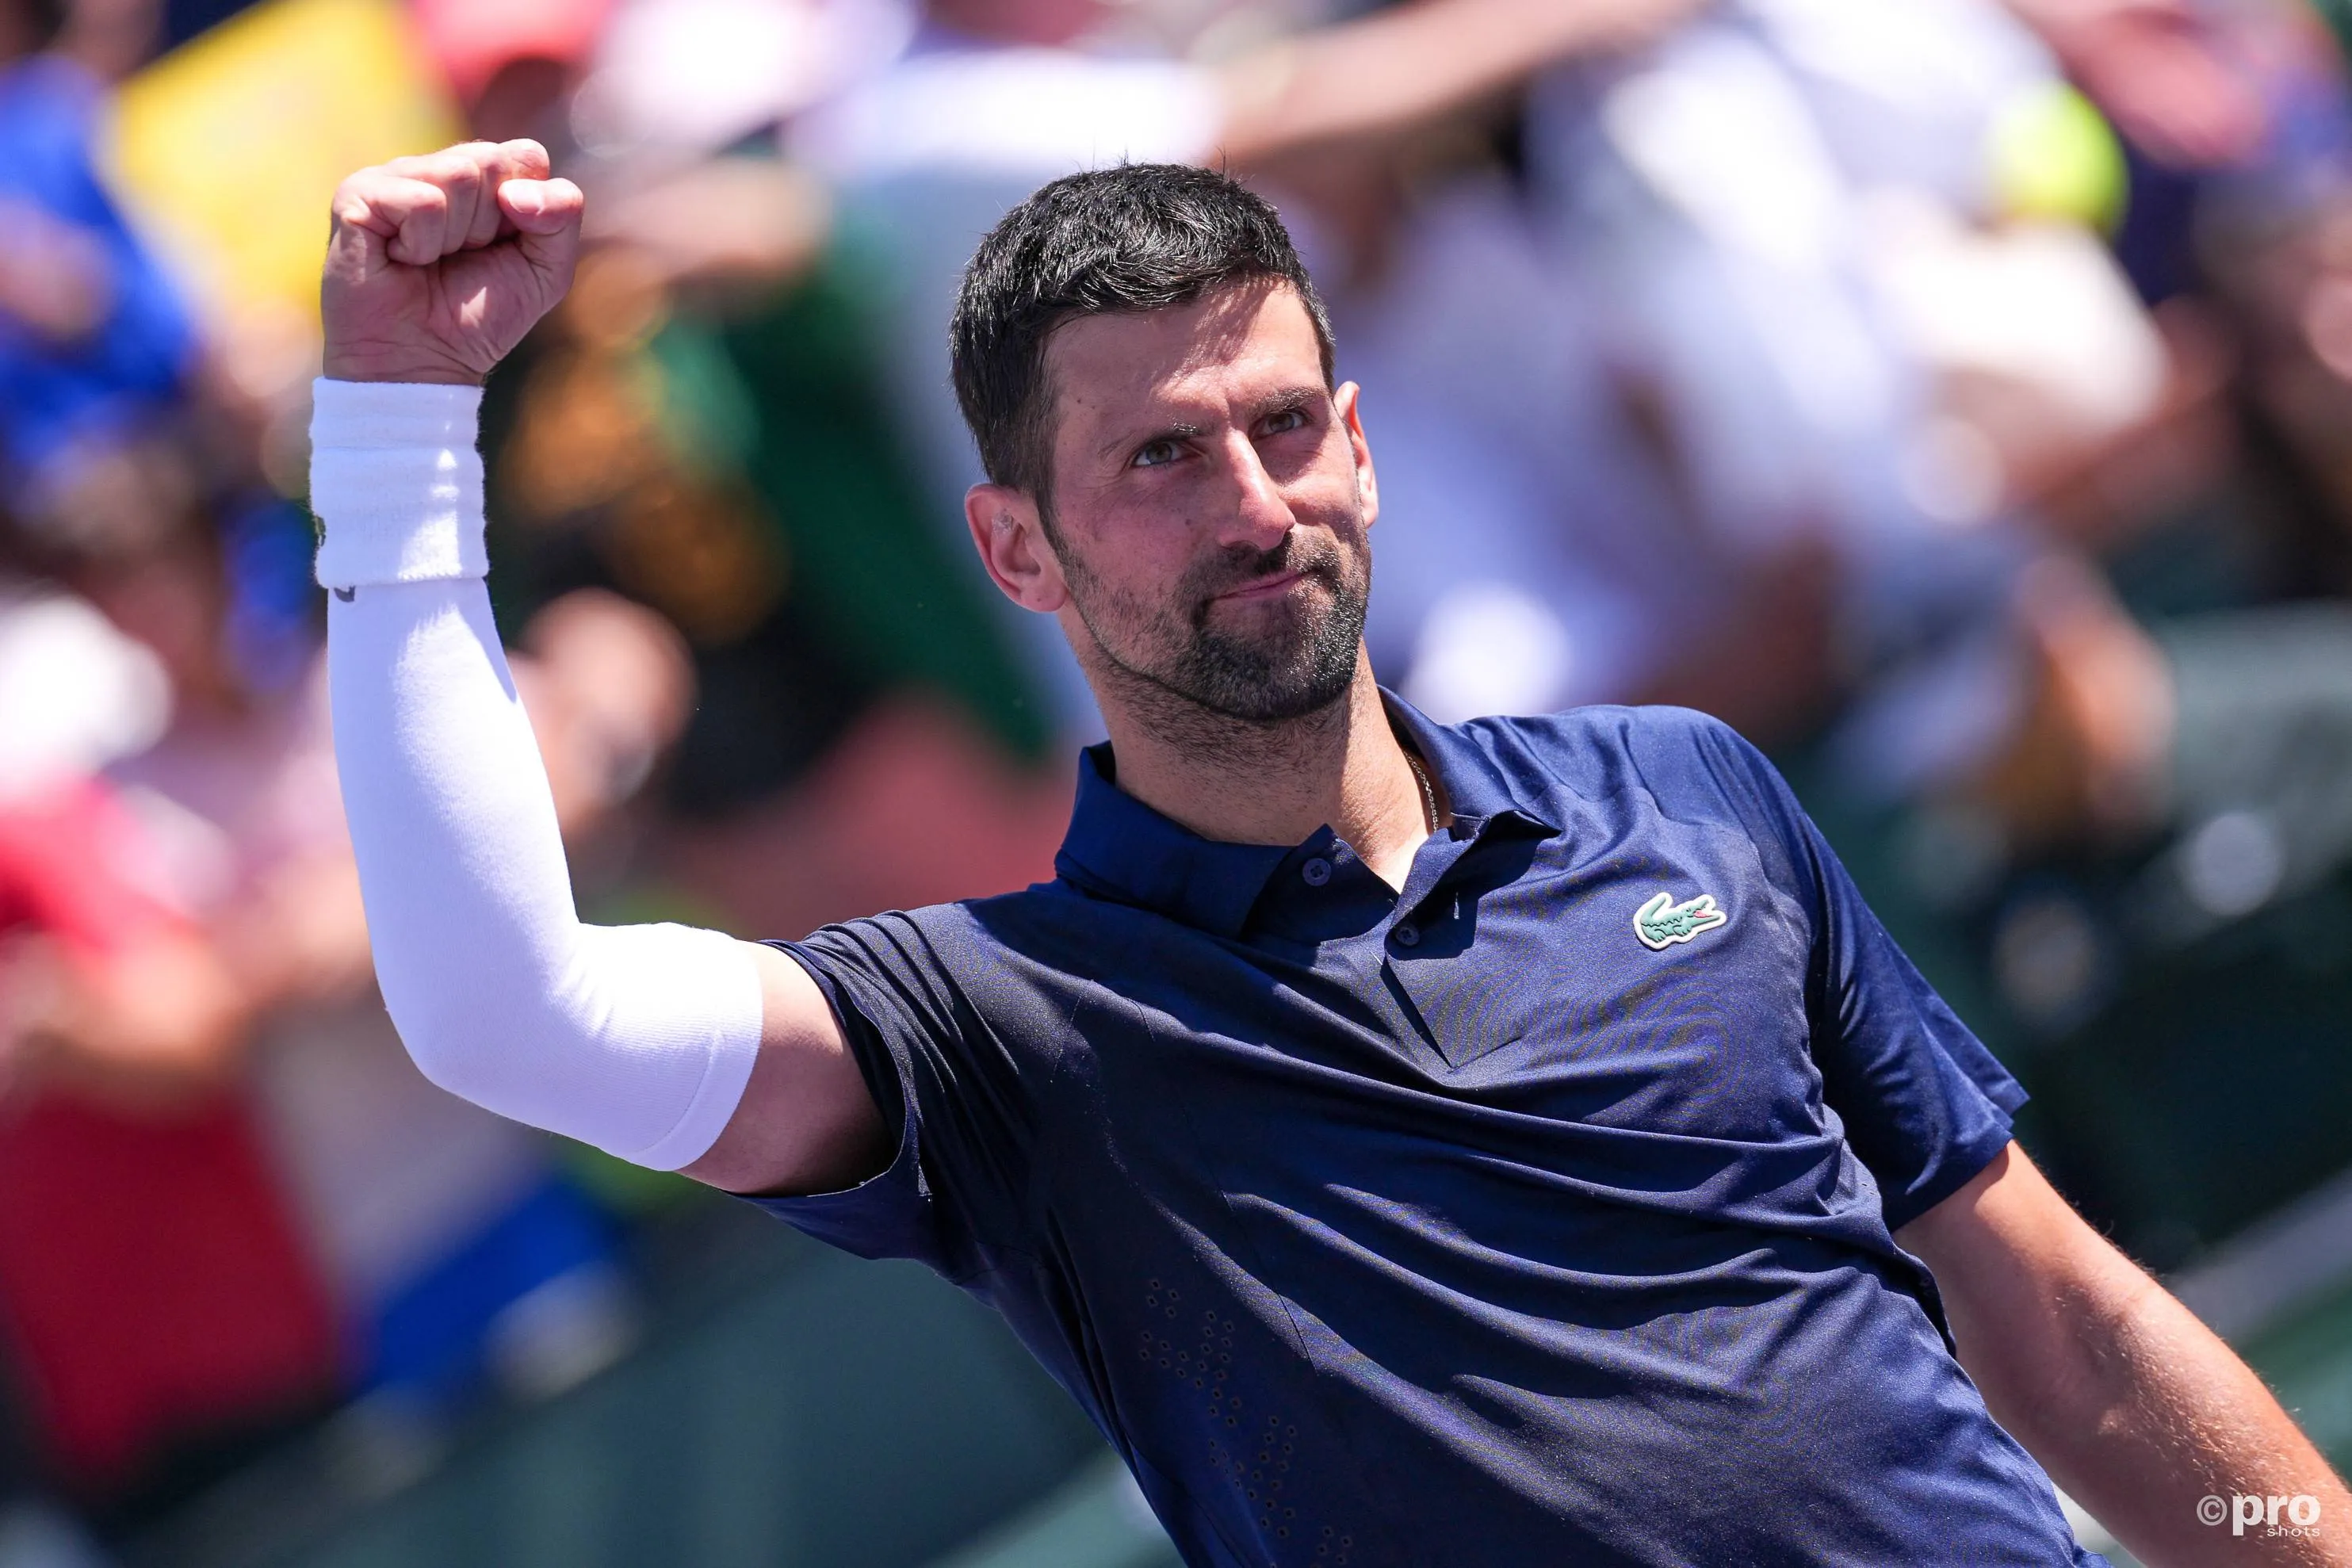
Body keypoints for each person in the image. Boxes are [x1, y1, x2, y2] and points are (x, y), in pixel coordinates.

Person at [312, 140, 2352, 1566]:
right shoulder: (991, 1031)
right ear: (1012, 547)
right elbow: (509, 1006)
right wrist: (398, 436)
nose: (1252, 498)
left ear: (1360, 438)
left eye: (1283, 423)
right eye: (1157, 457)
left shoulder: (1687, 787)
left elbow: (2073, 1332)